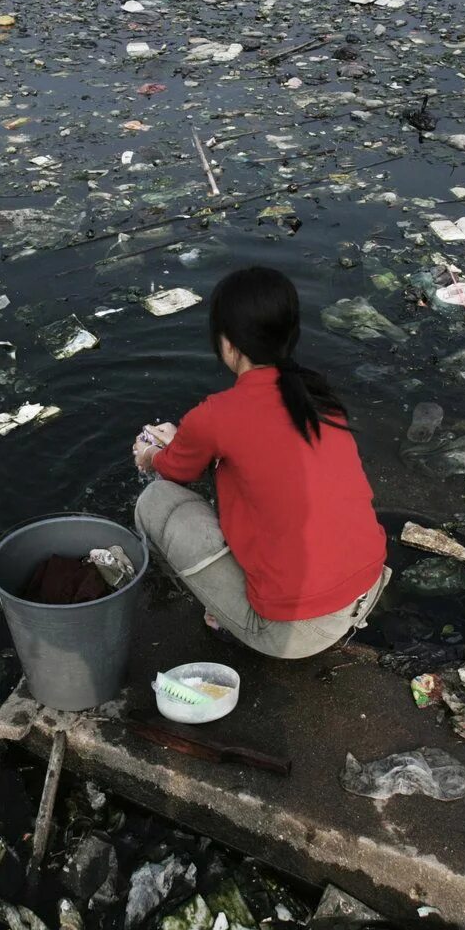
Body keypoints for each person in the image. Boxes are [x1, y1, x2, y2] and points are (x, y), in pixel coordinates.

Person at [132, 267, 389, 659]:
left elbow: (173, 472)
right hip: (366, 589)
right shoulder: (319, 399)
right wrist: (184, 441)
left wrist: (151, 454)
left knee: (155, 501)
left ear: (229, 344)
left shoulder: (216, 415)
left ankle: (221, 614)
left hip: (294, 632)